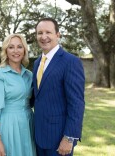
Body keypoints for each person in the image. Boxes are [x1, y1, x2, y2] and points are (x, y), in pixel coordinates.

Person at [33, 17, 85, 156]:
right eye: (40, 33)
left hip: (59, 139)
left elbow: (76, 103)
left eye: (48, 32)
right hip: (38, 137)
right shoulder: (37, 63)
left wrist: (69, 138)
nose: (44, 37)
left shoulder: (71, 62)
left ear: (57, 35)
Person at [0, 34, 36, 156]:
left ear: (24, 50)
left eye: (19, 47)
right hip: (8, 125)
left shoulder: (29, 75)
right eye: (11, 47)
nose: (16, 51)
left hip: (28, 124)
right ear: (6, 50)